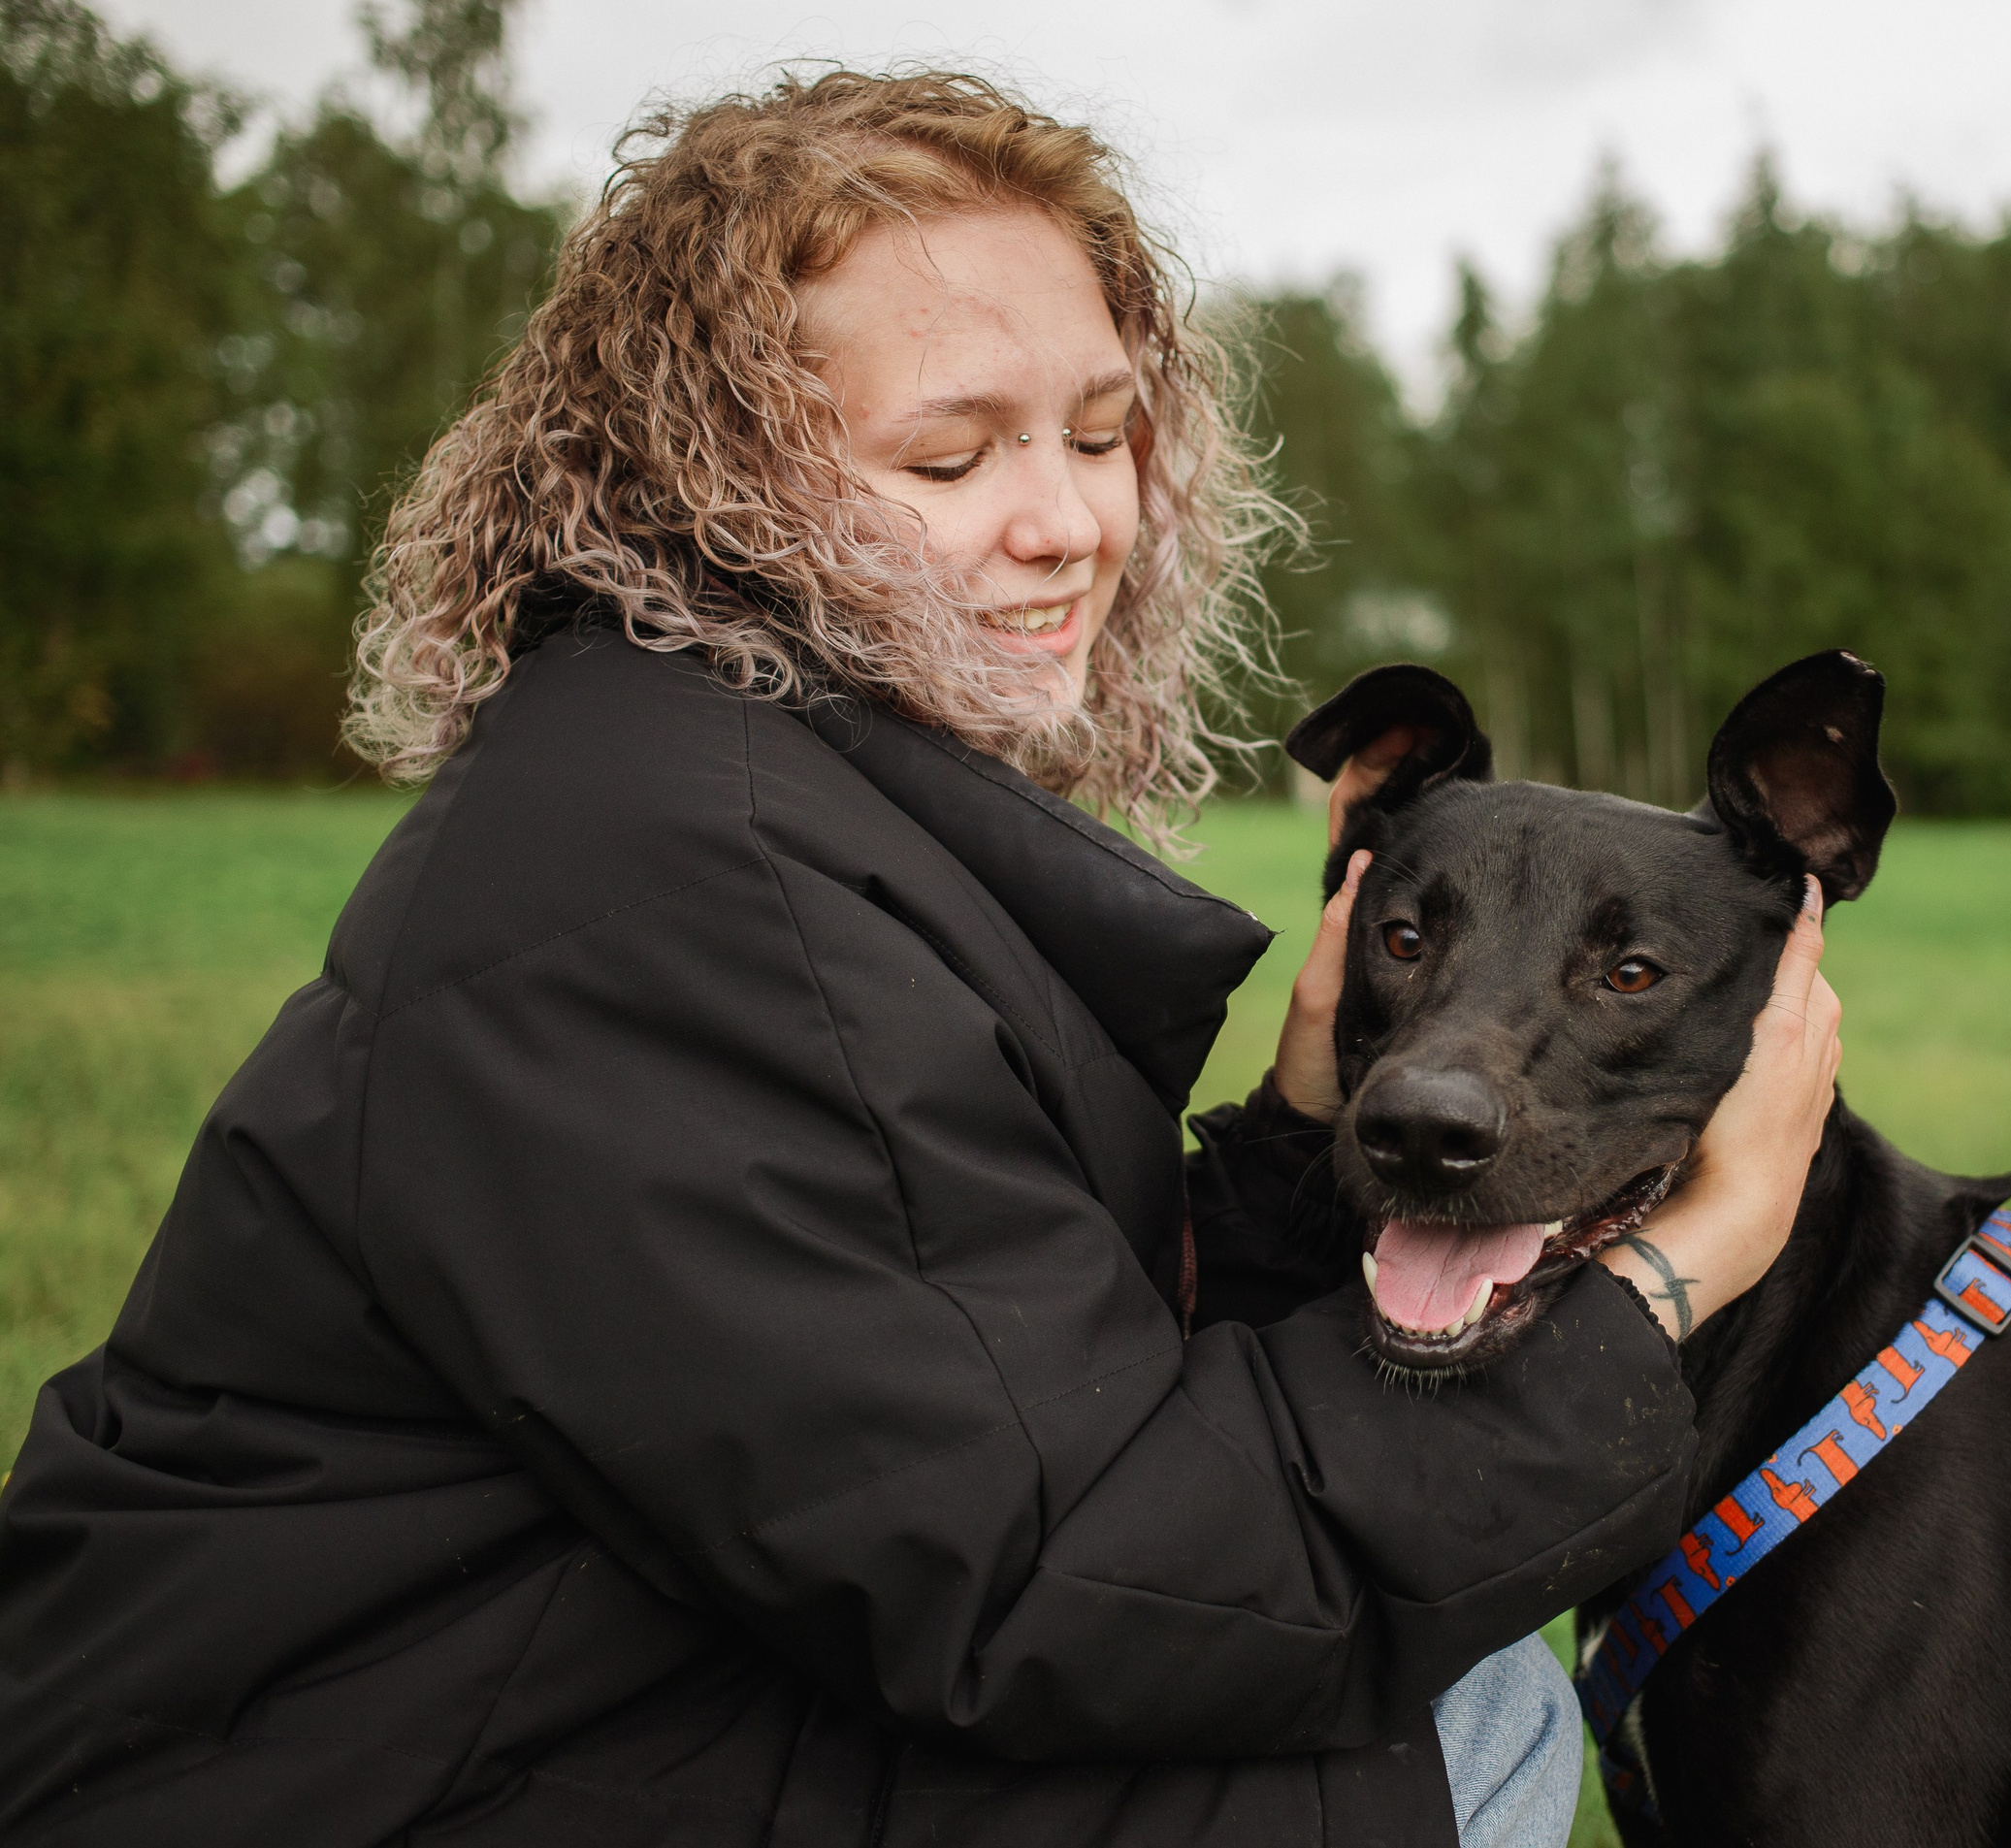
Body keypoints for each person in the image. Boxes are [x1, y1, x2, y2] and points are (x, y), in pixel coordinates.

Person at [0, 71, 1840, 1848]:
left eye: (1105, 431)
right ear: (705, 484)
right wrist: (1665, 1282)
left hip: (543, 1674)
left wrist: (1290, 1146)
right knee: (1469, 1716)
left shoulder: (731, 785)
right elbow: (1058, 1576)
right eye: (951, 453)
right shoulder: (668, 884)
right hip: (366, 1762)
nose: (1067, 524)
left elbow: (965, 1349)